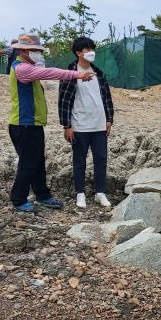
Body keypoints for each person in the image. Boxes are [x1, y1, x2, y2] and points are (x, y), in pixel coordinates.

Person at [7, 33, 94, 213]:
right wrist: (77, 74)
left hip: (33, 124)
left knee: (38, 162)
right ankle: (18, 198)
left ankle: (43, 195)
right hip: (24, 124)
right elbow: (50, 72)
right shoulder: (22, 69)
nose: (37, 54)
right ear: (23, 51)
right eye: (34, 50)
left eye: (38, 50)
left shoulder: (25, 67)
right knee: (28, 163)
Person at [58, 36, 114, 208]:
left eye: (92, 49)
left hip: (99, 124)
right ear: (78, 53)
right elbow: (64, 100)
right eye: (87, 49)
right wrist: (67, 125)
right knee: (79, 161)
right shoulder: (70, 73)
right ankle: (80, 193)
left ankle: (100, 192)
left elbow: (106, 97)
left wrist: (109, 119)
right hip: (79, 124)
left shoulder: (99, 73)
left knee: (101, 159)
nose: (91, 52)